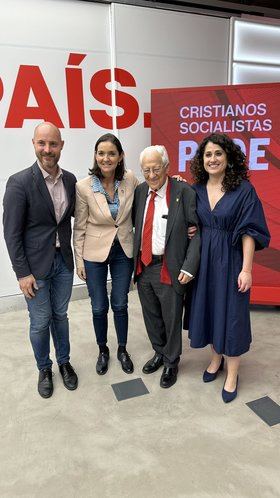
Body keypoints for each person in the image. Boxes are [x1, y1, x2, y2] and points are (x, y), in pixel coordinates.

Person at [186, 133, 270, 403]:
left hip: (231, 260)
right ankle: (215, 358)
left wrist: (246, 269)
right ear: (202, 159)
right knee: (210, 310)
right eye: (208, 154)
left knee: (232, 315)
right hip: (205, 262)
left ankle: (232, 373)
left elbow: (249, 232)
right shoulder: (196, 188)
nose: (213, 159)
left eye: (218, 154)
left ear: (228, 157)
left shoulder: (243, 189)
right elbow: (188, 217)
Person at [3, 122, 78, 399]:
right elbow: (11, 234)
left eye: (53, 144)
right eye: (42, 143)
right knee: (39, 321)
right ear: (34, 144)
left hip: (63, 264)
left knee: (60, 316)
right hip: (35, 268)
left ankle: (64, 362)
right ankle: (44, 368)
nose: (48, 149)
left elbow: (87, 212)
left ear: (61, 146)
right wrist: (22, 273)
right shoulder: (19, 182)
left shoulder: (70, 180)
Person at [133, 145, 200, 388]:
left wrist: (188, 266)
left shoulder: (184, 191)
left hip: (169, 266)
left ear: (167, 168)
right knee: (151, 316)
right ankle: (159, 353)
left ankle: (172, 361)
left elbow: (197, 231)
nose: (151, 175)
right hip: (144, 267)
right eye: (146, 170)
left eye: (156, 169)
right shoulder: (140, 192)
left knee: (172, 318)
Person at [73, 133, 138, 375]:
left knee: (120, 303)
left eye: (111, 153)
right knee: (99, 306)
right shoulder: (83, 186)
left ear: (120, 157)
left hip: (123, 250)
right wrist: (79, 259)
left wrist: (174, 181)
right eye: (101, 153)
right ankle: (103, 350)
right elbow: (79, 226)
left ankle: (122, 349)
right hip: (93, 252)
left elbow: (149, 196)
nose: (106, 158)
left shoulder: (131, 179)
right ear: (95, 155)